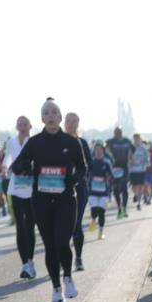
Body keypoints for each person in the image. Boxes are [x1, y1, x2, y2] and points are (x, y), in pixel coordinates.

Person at [10, 98, 87, 302]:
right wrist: (25, 166)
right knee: (50, 245)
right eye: (47, 113)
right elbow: (16, 166)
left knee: (62, 241)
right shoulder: (34, 143)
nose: (51, 116)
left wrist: (74, 179)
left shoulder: (71, 143)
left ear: (60, 117)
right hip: (41, 201)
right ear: (42, 119)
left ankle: (68, 277)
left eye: (54, 112)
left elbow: (82, 168)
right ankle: (55, 287)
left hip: (66, 199)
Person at [5, 117, 37, 279]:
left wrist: (31, 168)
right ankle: (24, 264)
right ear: (16, 126)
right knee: (20, 227)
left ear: (30, 126)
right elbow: (7, 160)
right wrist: (6, 169)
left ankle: (31, 261)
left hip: (31, 190)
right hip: (15, 189)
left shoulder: (35, 142)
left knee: (29, 227)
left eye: (25, 124)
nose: (23, 127)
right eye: (20, 124)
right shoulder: (11, 142)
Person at [64, 113, 91, 272]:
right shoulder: (58, 142)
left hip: (79, 188)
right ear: (64, 122)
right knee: (63, 226)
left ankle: (78, 258)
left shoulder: (82, 143)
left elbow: (89, 165)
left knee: (76, 224)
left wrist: (79, 177)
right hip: (60, 188)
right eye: (69, 121)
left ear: (78, 123)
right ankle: (63, 258)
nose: (71, 124)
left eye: (74, 121)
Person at [86, 143, 114, 239]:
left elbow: (111, 175)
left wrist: (107, 178)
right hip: (93, 191)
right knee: (94, 211)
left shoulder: (106, 163)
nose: (98, 151)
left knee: (101, 211)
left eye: (100, 150)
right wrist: (90, 178)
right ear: (95, 151)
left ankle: (100, 232)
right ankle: (94, 219)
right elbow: (86, 173)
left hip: (103, 192)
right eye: (96, 150)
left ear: (103, 151)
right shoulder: (91, 162)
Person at [105, 127, 133, 219]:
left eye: (119, 132)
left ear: (121, 132)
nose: (117, 133)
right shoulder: (110, 141)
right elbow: (103, 149)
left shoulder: (127, 141)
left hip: (124, 167)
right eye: (116, 132)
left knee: (124, 188)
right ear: (114, 133)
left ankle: (124, 209)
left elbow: (133, 150)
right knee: (116, 189)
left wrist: (131, 159)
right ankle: (119, 209)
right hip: (114, 168)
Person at [128, 133, 149, 211]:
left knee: (140, 186)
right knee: (134, 187)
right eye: (135, 138)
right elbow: (128, 157)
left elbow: (147, 158)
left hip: (141, 170)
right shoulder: (131, 148)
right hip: (133, 170)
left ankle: (139, 203)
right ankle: (136, 195)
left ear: (140, 139)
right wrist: (130, 162)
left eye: (138, 138)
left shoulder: (143, 148)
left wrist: (144, 166)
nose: (136, 140)